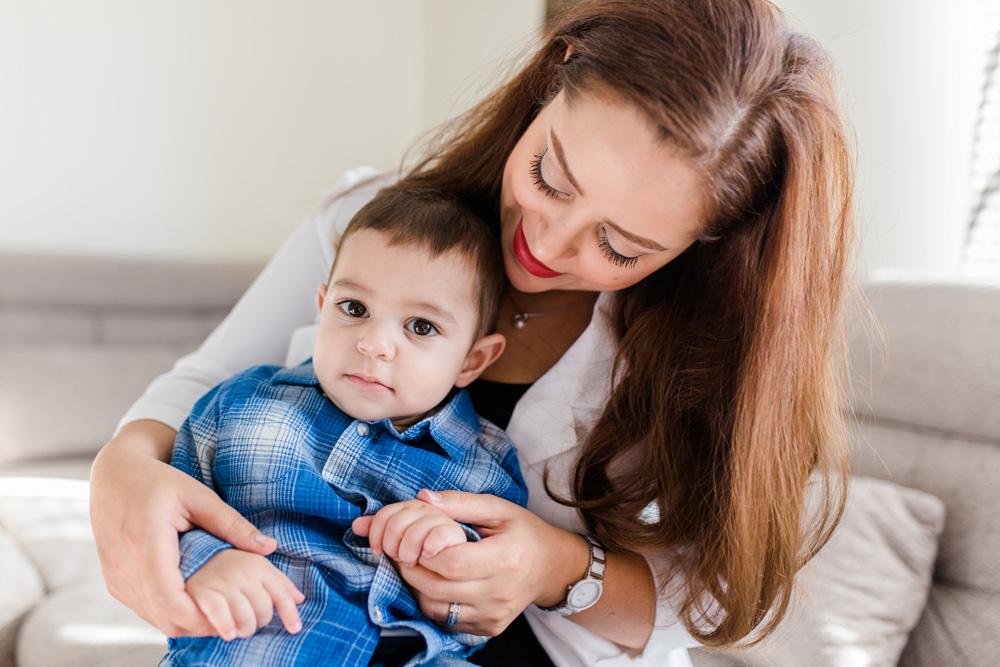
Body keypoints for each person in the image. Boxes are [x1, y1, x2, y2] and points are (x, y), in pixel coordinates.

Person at [90, 1, 857, 665]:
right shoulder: (377, 221)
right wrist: (121, 467)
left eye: (620, 247)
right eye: (551, 177)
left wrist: (555, 565)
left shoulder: (709, 354)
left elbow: (710, 596)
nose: (550, 245)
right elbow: (204, 381)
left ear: (707, 244)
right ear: (552, 75)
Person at [163, 188, 528, 667]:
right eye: (354, 309)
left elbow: (488, 600)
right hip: (258, 642)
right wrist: (206, 561)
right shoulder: (240, 406)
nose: (374, 343)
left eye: (420, 327)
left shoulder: (484, 466)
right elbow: (171, 512)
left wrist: (448, 545)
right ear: (322, 307)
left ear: (472, 361)